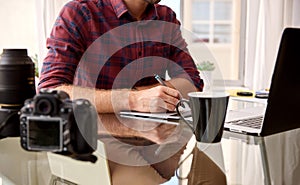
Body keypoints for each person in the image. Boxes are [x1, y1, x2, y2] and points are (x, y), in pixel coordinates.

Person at [38, 0, 223, 184]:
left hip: (157, 136)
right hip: (101, 134)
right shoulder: (80, 12)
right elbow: (51, 90)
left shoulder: (166, 18)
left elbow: (192, 83)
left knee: (214, 157)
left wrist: (145, 96)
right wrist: (132, 99)